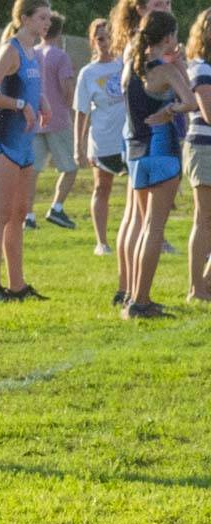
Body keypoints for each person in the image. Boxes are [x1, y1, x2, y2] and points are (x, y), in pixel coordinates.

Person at [121, 10, 197, 318]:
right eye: (175, 36)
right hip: (162, 152)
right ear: (167, 39)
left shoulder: (130, 68)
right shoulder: (165, 71)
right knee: (155, 230)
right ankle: (141, 302)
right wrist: (172, 110)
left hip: (137, 154)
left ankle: (135, 297)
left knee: (144, 230)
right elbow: (192, 102)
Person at [0, 0, 53, 302]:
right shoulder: (11, 49)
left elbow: (29, 87)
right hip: (5, 140)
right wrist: (21, 105)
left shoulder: (34, 53)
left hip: (25, 141)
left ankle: (18, 286)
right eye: (42, 17)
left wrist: (42, 100)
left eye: (49, 18)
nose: (47, 23)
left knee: (19, 213)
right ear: (24, 18)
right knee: (1, 213)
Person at [112, 0, 176, 307]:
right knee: (147, 226)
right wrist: (175, 106)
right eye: (158, 2)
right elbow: (191, 99)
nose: (165, 5)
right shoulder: (158, 65)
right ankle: (136, 296)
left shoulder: (132, 57)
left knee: (135, 222)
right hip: (156, 145)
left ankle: (130, 292)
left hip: (136, 143)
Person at [75, 18, 128, 255]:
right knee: (101, 188)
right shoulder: (88, 73)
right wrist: (78, 145)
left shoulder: (124, 64)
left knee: (143, 190)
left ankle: (155, 237)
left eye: (109, 36)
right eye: (100, 38)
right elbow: (82, 112)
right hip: (102, 140)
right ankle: (102, 242)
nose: (105, 42)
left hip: (129, 138)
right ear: (93, 42)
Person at [25, 12, 78, 230]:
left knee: (33, 171)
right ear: (60, 32)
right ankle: (56, 208)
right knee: (70, 168)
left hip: (36, 120)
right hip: (57, 120)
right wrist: (68, 108)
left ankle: (28, 215)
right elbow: (67, 88)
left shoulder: (32, 53)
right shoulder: (60, 56)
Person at [184, 8, 211, 303]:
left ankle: (206, 282)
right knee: (204, 219)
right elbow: (208, 113)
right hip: (204, 147)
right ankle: (197, 288)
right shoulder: (201, 67)